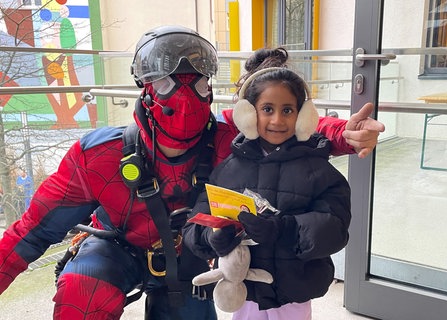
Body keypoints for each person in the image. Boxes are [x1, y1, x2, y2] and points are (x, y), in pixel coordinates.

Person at [0, 25, 383, 320]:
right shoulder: (100, 155)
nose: (184, 100)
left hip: (193, 258)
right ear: (147, 90)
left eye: (198, 84)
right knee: (85, 291)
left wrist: (345, 133)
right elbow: (31, 232)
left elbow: (294, 130)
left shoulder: (230, 137)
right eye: (167, 84)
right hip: (117, 249)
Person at [183, 58, 351, 319]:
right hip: (247, 290)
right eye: (267, 109)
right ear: (249, 114)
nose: (277, 120)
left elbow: (334, 228)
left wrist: (285, 228)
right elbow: (197, 221)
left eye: (287, 110)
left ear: (303, 115)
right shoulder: (229, 168)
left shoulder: (319, 171)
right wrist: (210, 237)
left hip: (294, 289)